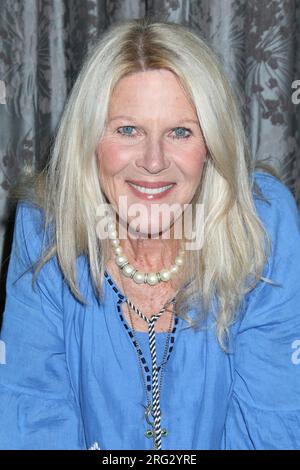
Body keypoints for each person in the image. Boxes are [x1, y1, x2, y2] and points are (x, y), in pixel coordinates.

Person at [0, 17, 300, 451]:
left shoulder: (262, 223)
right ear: (89, 139)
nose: (154, 161)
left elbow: (274, 429)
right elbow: (31, 420)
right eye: (127, 130)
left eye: (180, 132)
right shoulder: (45, 225)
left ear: (211, 145)